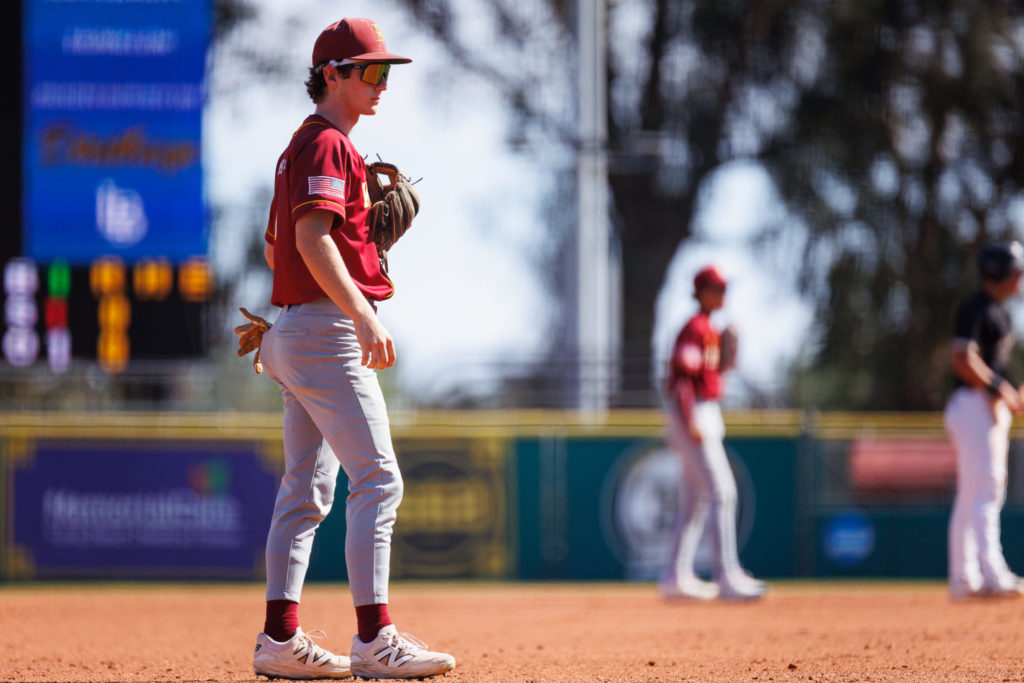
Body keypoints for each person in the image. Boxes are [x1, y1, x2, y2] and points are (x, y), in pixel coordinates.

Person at [249, 17, 456, 679]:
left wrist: (363, 240)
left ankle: (280, 638)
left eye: (385, 72)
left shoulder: (301, 147)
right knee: (379, 479)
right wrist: (363, 311)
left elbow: (274, 245)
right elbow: (309, 243)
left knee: (306, 491)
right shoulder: (329, 145)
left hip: (291, 330)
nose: (381, 84)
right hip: (323, 332)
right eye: (369, 70)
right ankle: (375, 638)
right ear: (331, 74)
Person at [659, 265, 766, 601]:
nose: (723, 295)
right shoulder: (694, 327)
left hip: (705, 410)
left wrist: (726, 356)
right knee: (722, 491)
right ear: (701, 291)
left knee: (696, 499)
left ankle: (676, 577)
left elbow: (711, 374)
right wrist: (690, 418)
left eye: (724, 289)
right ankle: (727, 576)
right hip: (692, 413)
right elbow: (681, 380)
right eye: (717, 289)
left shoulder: (708, 330)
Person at [945, 240, 1024, 600]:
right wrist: (999, 388)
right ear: (1000, 272)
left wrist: (1008, 390)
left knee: (971, 494)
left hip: (980, 404)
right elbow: (962, 358)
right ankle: (991, 573)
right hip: (973, 403)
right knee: (987, 488)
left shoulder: (999, 312)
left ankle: (965, 579)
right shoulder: (976, 307)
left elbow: (992, 368)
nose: (1019, 277)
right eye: (1016, 270)